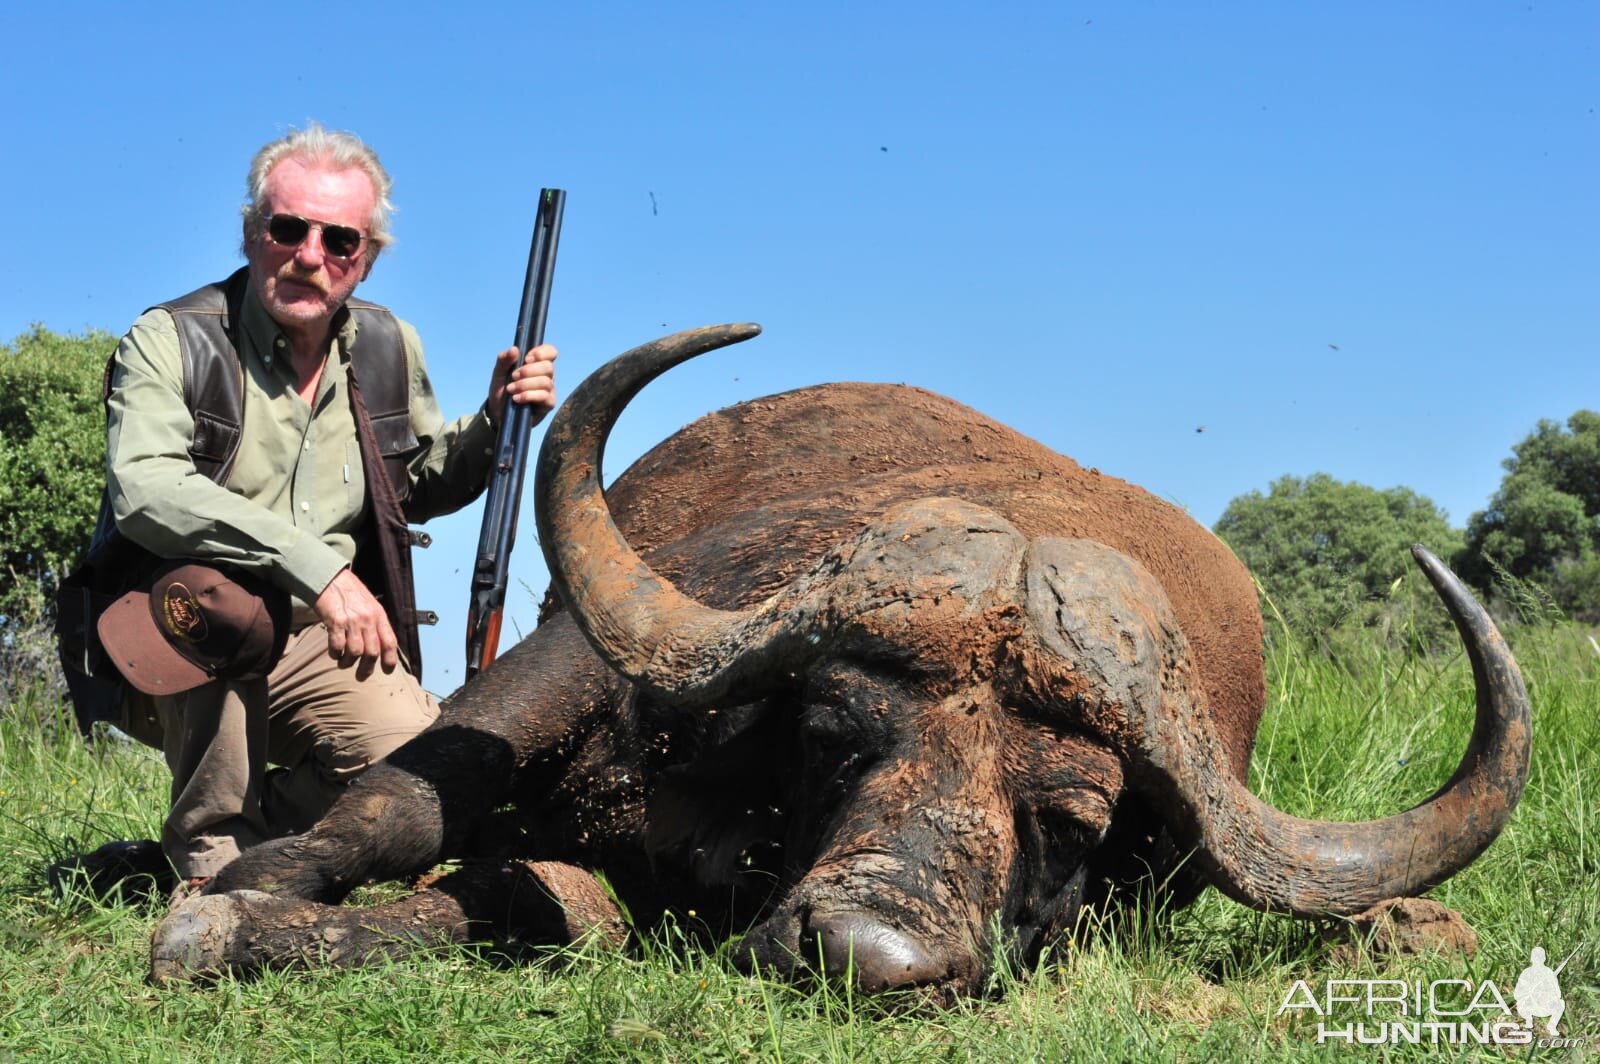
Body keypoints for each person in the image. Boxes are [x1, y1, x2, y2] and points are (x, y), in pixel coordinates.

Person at [79, 122, 557, 898]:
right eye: (288, 228)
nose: (310, 254)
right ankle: (211, 864)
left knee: (420, 768)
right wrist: (318, 568)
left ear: (364, 259)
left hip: (319, 637)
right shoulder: (171, 338)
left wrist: (497, 420)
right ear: (251, 233)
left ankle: (245, 831)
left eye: (339, 240)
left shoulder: (388, 345)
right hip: (169, 633)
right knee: (222, 601)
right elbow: (145, 491)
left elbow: (423, 482)